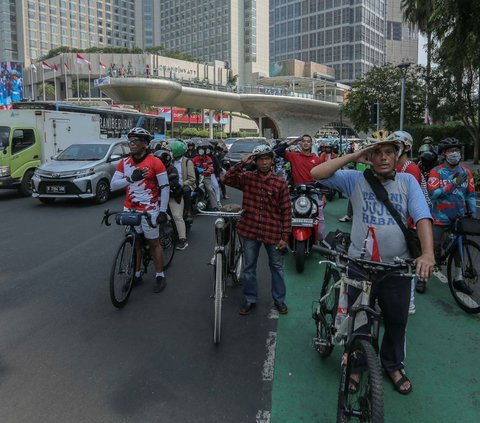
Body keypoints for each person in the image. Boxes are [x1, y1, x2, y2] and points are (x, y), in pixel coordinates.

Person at [311, 135, 434, 395]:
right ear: (369, 156)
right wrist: (355, 156)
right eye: (377, 152)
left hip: (396, 268)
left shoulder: (407, 181)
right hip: (359, 265)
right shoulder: (355, 180)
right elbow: (316, 173)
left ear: (397, 156)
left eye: (389, 152)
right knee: (359, 323)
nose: (383, 157)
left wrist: (427, 254)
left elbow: (422, 216)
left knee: (396, 321)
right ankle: (356, 366)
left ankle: (392, 366)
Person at [222, 145, 292, 315]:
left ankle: (279, 300)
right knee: (249, 267)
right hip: (250, 230)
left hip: (272, 232)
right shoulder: (248, 178)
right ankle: (249, 299)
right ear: (256, 161)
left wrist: (285, 236)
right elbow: (226, 179)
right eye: (260, 159)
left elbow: (286, 210)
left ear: (272, 160)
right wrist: (243, 162)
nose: (264, 162)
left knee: (276, 267)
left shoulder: (279, 182)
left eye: (267, 158)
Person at [110, 127, 170, 293]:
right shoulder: (125, 163)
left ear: (145, 144)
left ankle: (160, 275)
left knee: (153, 243)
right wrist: (130, 178)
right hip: (129, 208)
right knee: (135, 242)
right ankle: (136, 275)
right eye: (130, 141)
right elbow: (113, 185)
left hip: (150, 209)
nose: (132, 144)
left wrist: (163, 211)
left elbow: (165, 187)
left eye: (136, 141)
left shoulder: (155, 162)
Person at [427, 137, 476, 295]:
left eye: (457, 151)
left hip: (459, 217)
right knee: (432, 246)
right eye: (451, 151)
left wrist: (472, 211)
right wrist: (453, 183)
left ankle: (458, 278)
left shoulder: (466, 172)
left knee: (458, 249)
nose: (455, 153)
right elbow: (433, 194)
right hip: (439, 217)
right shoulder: (437, 172)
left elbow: (471, 194)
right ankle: (422, 278)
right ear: (443, 154)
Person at [389, 130, 431, 304]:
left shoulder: (410, 168)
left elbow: (409, 200)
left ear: (406, 148)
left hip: (412, 221)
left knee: (408, 262)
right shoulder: (395, 166)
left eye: (396, 145)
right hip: (401, 220)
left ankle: (409, 301)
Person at [154, 148, 189, 251]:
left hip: (173, 195)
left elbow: (173, 183)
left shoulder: (172, 169)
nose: (156, 163)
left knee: (176, 216)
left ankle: (182, 239)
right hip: (158, 196)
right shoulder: (153, 169)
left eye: (159, 161)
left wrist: (163, 186)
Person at [170, 140, 197, 225]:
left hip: (185, 184)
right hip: (173, 184)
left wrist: (182, 184)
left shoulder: (187, 162)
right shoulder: (171, 162)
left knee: (186, 190)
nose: (171, 152)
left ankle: (188, 211)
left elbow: (192, 179)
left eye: (172, 150)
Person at [192, 143, 218, 210]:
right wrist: (196, 169)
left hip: (206, 177)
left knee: (209, 189)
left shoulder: (208, 158)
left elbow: (211, 167)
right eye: (200, 150)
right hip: (196, 177)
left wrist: (208, 170)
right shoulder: (195, 159)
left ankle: (215, 206)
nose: (201, 152)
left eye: (202, 150)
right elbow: (191, 166)